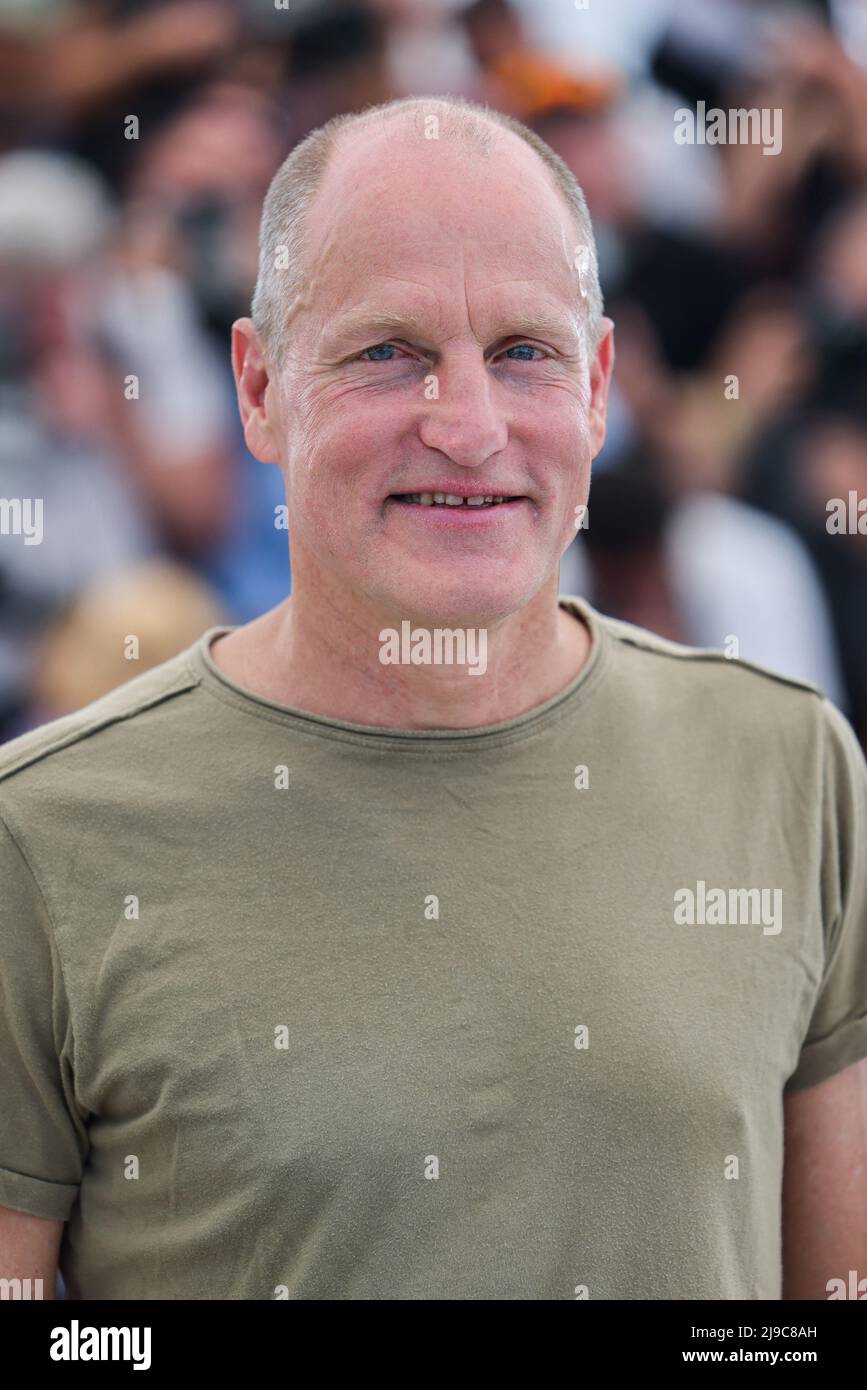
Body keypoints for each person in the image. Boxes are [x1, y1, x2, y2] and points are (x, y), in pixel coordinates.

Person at [0, 94, 865, 1301]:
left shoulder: (791, 766)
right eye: (385, 352)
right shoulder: (40, 839)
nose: (467, 427)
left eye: (524, 352)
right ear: (257, 388)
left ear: (601, 383)